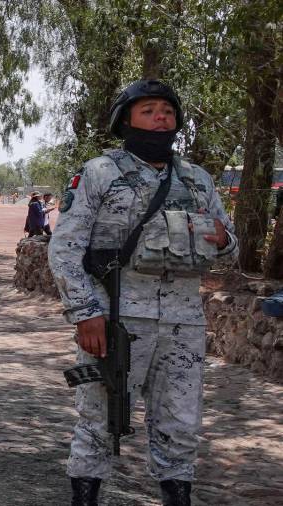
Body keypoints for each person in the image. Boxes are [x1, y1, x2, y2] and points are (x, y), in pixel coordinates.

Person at [49, 80, 238, 506]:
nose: (161, 118)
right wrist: (84, 312)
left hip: (183, 322)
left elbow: (231, 248)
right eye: (149, 110)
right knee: (99, 418)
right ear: (126, 119)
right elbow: (65, 249)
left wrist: (224, 240)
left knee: (181, 423)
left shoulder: (197, 180)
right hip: (116, 318)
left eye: (168, 111)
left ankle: (177, 497)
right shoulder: (99, 173)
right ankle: (85, 498)